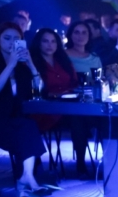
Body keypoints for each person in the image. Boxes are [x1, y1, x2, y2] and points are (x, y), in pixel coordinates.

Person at [0, 23, 47, 197]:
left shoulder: (22, 66)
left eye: (16, 39)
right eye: (7, 38)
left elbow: (39, 92)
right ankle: (25, 179)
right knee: (26, 131)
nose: (11, 42)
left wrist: (31, 65)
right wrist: (10, 65)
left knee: (28, 127)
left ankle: (27, 177)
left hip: (13, 119)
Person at [29, 28, 93, 178]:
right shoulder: (33, 61)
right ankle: (35, 164)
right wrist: (52, 94)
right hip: (45, 108)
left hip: (67, 106)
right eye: (45, 41)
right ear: (39, 43)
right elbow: (34, 89)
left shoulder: (63, 60)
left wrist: (70, 92)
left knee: (78, 119)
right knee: (31, 122)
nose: (50, 45)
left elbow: (75, 83)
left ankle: (81, 164)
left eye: (53, 41)